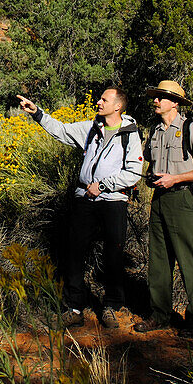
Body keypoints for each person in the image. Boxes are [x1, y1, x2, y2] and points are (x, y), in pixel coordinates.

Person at [17, 88, 143, 329]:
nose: (99, 102)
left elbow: (133, 172)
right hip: (84, 197)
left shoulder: (130, 134)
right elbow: (62, 131)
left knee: (113, 254)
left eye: (104, 100)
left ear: (117, 106)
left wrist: (104, 185)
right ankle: (74, 308)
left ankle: (111, 306)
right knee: (74, 252)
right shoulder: (91, 127)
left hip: (114, 200)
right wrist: (37, 114)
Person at [133, 80, 193, 334]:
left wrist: (176, 178)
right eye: (156, 96)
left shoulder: (191, 129)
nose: (156, 101)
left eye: (161, 97)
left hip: (182, 199)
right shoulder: (155, 131)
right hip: (159, 199)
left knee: (187, 258)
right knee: (158, 259)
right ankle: (160, 314)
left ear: (175, 103)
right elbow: (149, 163)